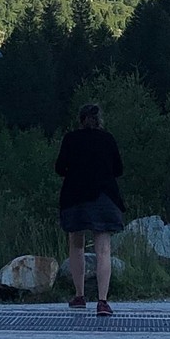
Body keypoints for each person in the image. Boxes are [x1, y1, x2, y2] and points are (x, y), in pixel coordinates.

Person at [55, 103, 124, 315]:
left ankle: (79, 295)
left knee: (77, 246)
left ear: (80, 119)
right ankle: (103, 301)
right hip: (104, 196)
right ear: (100, 119)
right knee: (103, 249)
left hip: (75, 197)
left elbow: (59, 168)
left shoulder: (71, 139)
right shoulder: (108, 139)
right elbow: (118, 169)